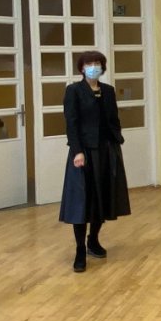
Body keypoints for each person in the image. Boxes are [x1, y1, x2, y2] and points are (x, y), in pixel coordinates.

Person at [60, 50, 130, 272]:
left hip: (107, 150)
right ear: (82, 68)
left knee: (103, 198)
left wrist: (116, 140)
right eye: (89, 64)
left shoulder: (108, 91)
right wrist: (77, 151)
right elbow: (71, 124)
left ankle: (93, 239)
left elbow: (113, 119)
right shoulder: (73, 91)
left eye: (97, 63)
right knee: (83, 202)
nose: (93, 67)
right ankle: (80, 249)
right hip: (84, 153)